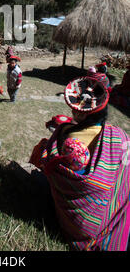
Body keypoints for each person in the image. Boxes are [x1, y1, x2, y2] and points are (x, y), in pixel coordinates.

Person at [30, 76, 130, 251]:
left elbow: (48, 163)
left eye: (74, 110)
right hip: (107, 211)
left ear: (80, 111)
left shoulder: (66, 135)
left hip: (76, 224)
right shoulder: (119, 136)